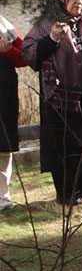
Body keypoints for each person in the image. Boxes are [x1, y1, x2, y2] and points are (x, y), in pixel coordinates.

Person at [22, 0, 82, 207]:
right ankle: (67, 192)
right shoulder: (46, 24)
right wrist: (51, 39)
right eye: (75, 0)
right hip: (59, 97)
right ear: (63, 0)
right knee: (64, 145)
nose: (80, 5)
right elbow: (28, 53)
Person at [1, 19, 26, 210]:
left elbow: (24, 57)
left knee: (3, 146)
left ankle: (2, 197)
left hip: (4, 96)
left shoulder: (5, 26)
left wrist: (8, 51)